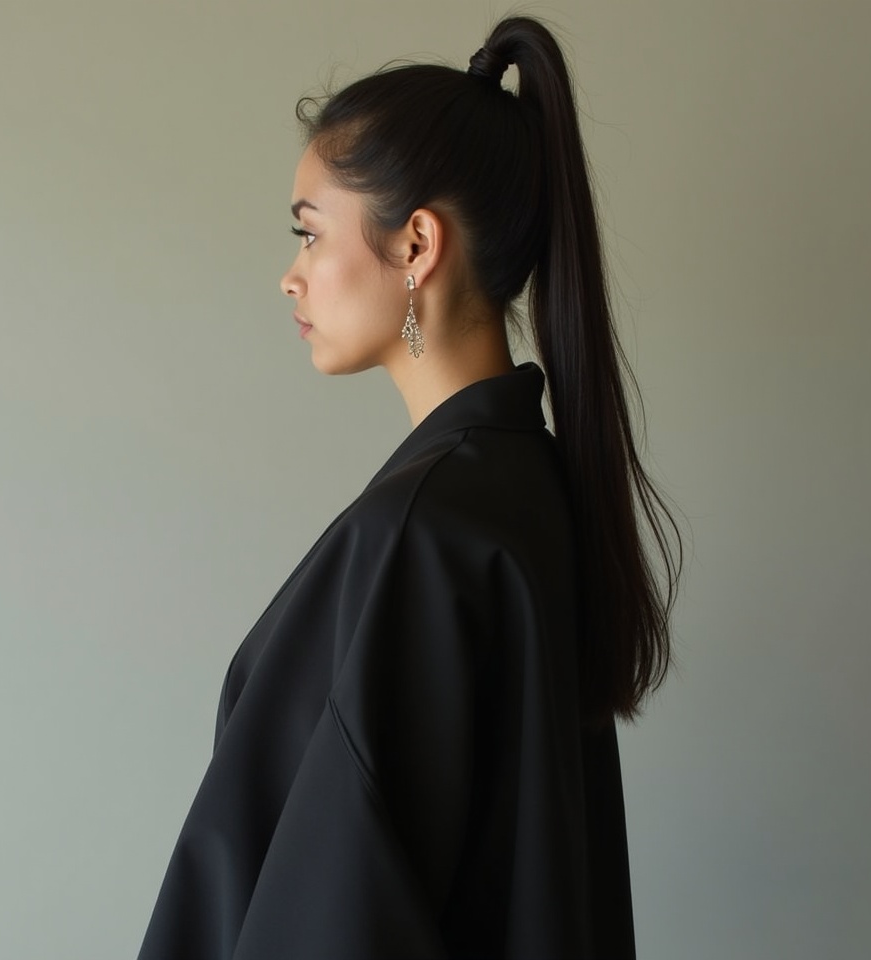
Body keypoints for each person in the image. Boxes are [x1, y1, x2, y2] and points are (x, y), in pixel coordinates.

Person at [138, 15, 682, 960]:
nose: (291, 277)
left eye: (310, 235)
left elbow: (339, 913)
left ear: (417, 245)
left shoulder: (424, 533)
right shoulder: (527, 489)